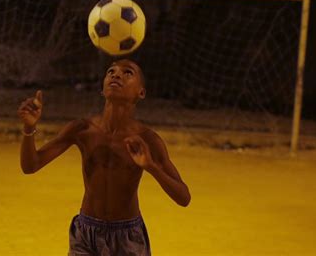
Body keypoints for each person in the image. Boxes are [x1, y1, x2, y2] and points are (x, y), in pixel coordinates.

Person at [18, 59, 191, 255]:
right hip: (85, 233)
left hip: (127, 237)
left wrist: (151, 166)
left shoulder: (148, 140)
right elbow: (31, 165)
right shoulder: (82, 129)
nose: (116, 75)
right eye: (111, 71)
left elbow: (184, 197)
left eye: (128, 72)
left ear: (141, 92)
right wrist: (29, 127)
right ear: (102, 88)